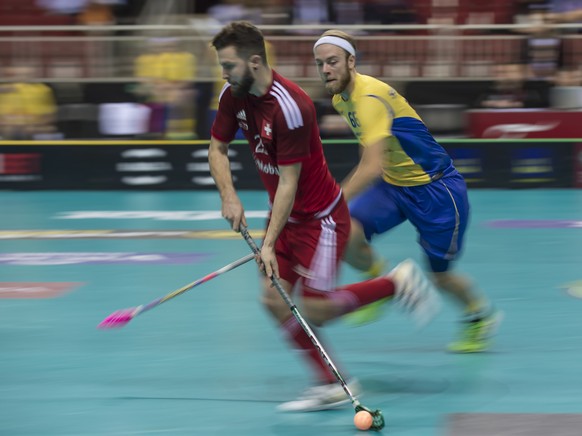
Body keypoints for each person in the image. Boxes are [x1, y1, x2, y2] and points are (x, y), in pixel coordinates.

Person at [207, 21, 441, 412]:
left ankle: (395, 283)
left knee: (316, 309)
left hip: (321, 220)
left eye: (229, 66)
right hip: (285, 217)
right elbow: (217, 148)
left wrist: (267, 244)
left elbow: (289, 182)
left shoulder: (292, 107)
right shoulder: (233, 95)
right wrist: (229, 197)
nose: (224, 74)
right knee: (273, 299)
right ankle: (333, 383)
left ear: (254, 61)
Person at [313, 30, 502, 353]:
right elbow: (373, 154)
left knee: (440, 275)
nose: (326, 69)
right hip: (392, 185)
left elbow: (369, 166)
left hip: (437, 191)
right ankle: (381, 284)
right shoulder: (340, 99)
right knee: (346, 231)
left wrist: (333, 201)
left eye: (332, 62)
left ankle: (478, 317)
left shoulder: (368, 98)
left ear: (351, 61)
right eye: (320, 64)